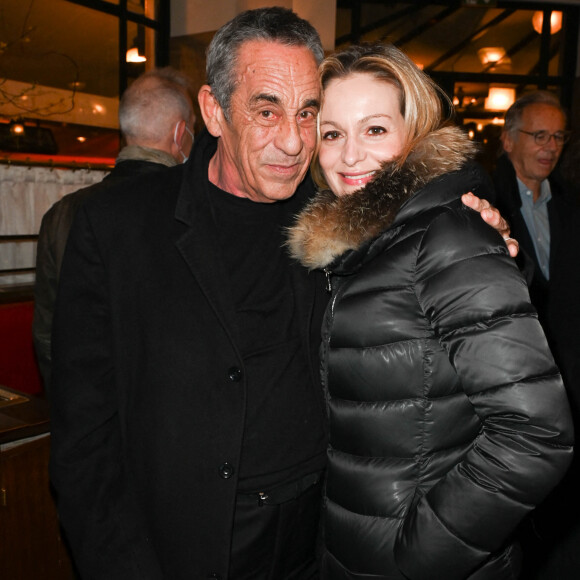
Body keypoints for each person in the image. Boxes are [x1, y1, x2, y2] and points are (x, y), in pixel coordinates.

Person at [49, 9, 517, 580]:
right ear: (213, 112)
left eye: (307, 114)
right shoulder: (118, 226)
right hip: (184, 546)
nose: (293, 141)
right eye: (266, 110)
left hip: (320, 543)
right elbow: (85, 439)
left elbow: (423, 210)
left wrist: (475, 225)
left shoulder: (340, 220)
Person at [287, 43, 573, 579]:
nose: (349, 156)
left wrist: (420, 557)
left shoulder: (446, 235)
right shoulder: (352, 244)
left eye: (374, 130)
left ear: (413, 131)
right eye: (332, 133)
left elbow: (536, 434)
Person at [32, 66, 195, 390]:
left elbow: (48, 336)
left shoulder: (62, 214)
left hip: (85, 410)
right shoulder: (192, 210)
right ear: (181, 135)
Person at [492, 92, 580, 578]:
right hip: (512, 374)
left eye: (558, 136)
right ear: (508, 140)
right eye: (538, 135)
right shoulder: (483, 205)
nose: (549, 146)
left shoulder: (570, 208)